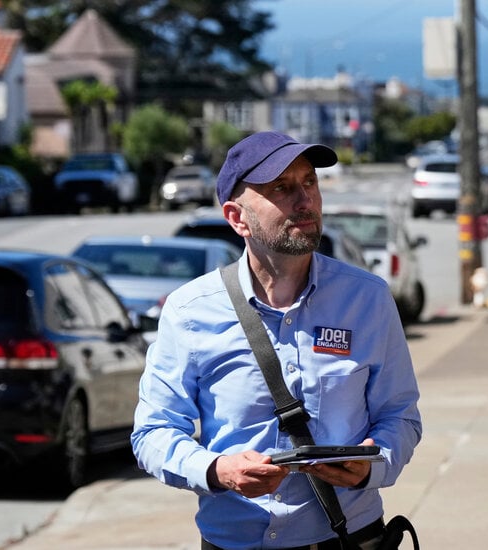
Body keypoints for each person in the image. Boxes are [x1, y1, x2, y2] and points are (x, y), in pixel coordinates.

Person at [131, 131, 423, 550]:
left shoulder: (367, 298)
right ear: (237, 218)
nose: (305, 200)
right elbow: (153, 431)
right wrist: (218, 470)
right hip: (233, 542)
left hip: (347, 539)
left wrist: (373, 466)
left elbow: (401, 415)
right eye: (281, 188)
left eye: (310, 182)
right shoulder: (190, 311)